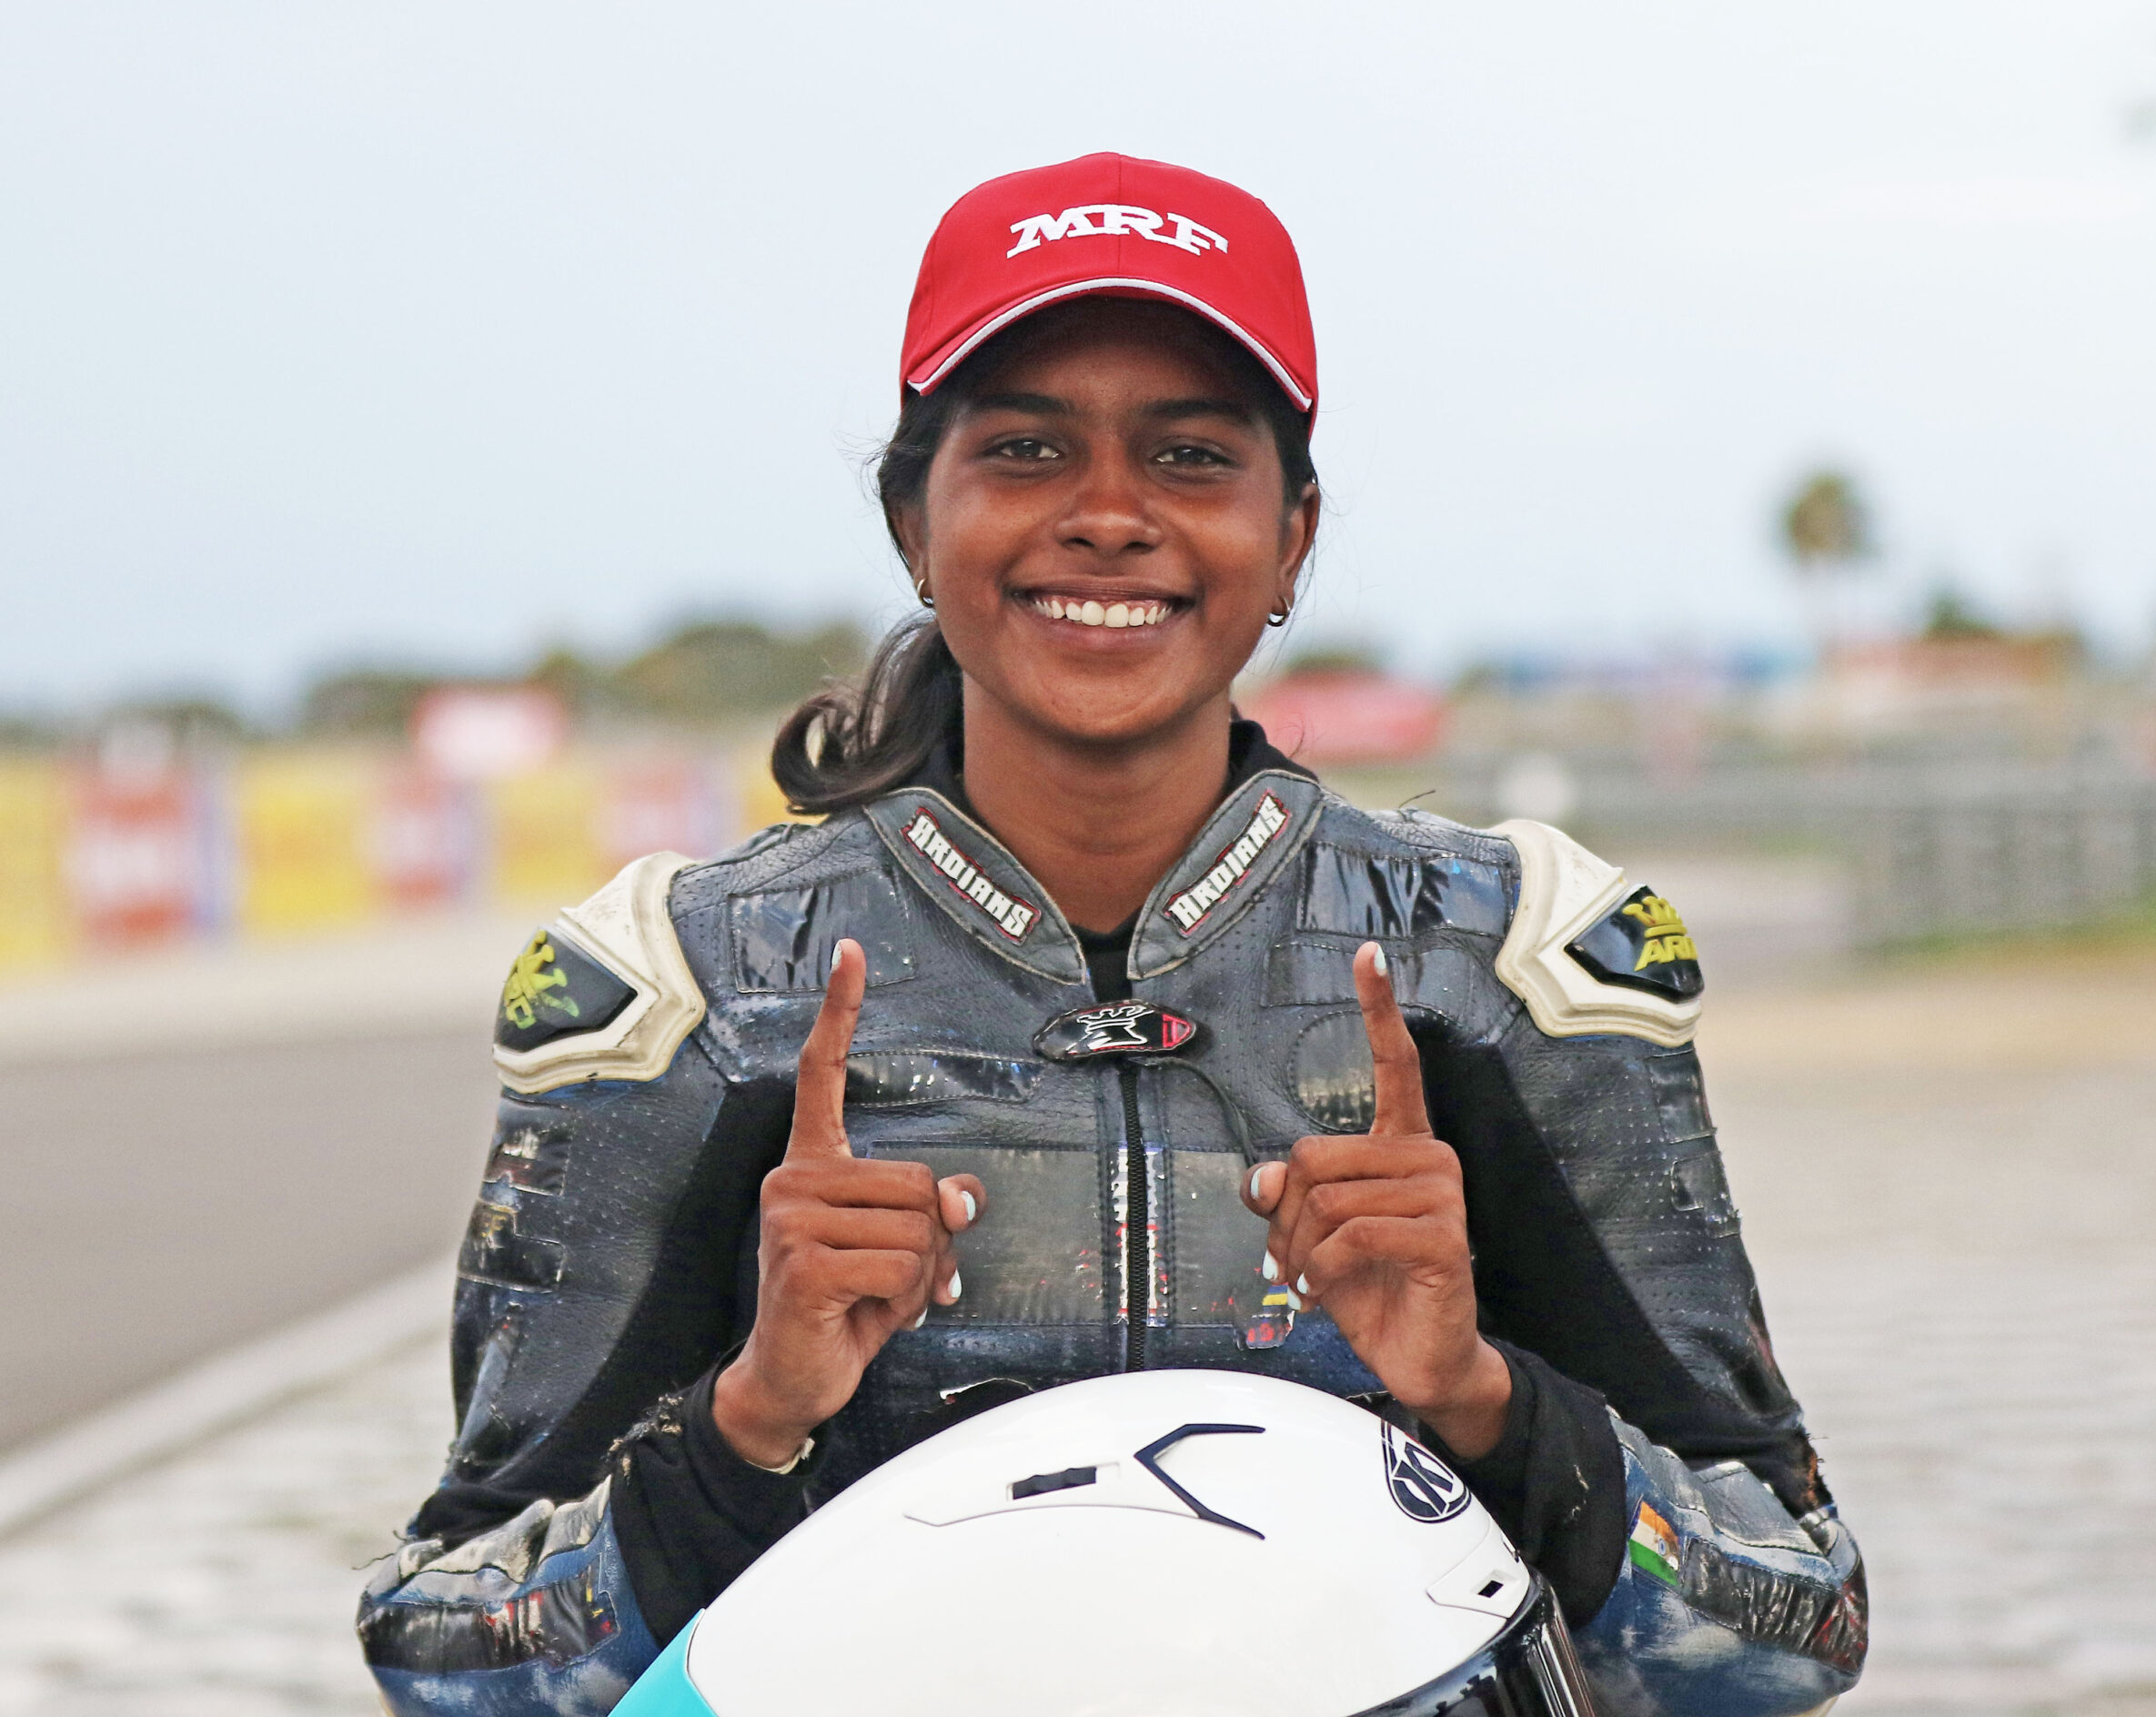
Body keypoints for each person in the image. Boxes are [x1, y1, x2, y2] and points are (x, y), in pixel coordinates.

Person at [358, 152, 1866, 1717]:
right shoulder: (689, 987)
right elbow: (444, 1653)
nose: (1106, 518)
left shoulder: (1511, 968)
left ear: (1292, 538)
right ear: (912, 522)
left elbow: (1797, 1630)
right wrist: (745, 1427)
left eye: (1190, 457)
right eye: (1025, 450)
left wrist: (1482, 1400)